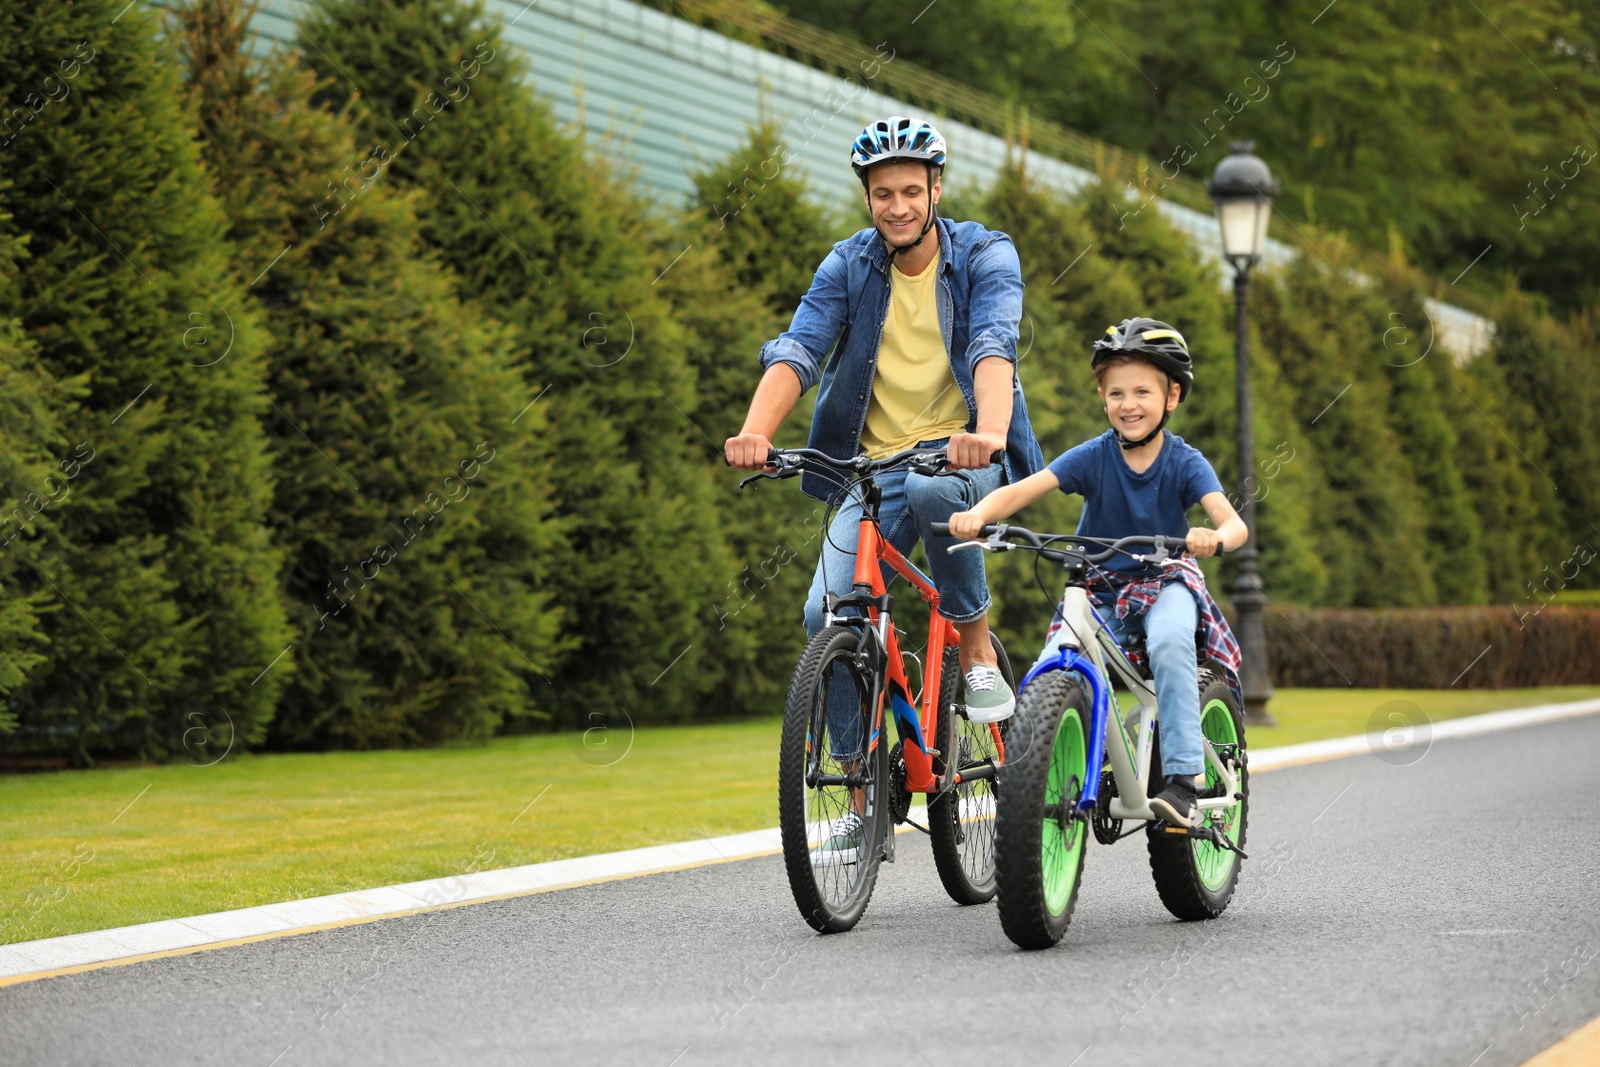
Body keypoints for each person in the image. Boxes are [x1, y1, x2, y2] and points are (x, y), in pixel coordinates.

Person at [726, 116, 1045, 862]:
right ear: (867, 199)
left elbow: (994, 345)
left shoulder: (984, 254)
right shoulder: (849, 264)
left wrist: (989, 432)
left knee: (941, 496)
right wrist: (754, 431)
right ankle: (861, 800)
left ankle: (975, 654)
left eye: (909, 190)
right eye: (881, 194)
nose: (897, 205)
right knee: (826, 611)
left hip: (961, 455)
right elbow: (798, 351)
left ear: (936, 189)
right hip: (869, 467)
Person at [945, 318, 1247, 827]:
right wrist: (981, 513)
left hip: (1165, 580)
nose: (1128, 404)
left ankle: (1182, 780)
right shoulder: (1094, 455)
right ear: (1103, 398)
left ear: (1172, 396)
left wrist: (1213, 537)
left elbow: (1232, 522)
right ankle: (1046, 768)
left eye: (1142, 392)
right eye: (1115, 393)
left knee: (1172, 643)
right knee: (1055, 664)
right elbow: (1025, 489)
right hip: (1098, 585)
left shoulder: (1185, 463)